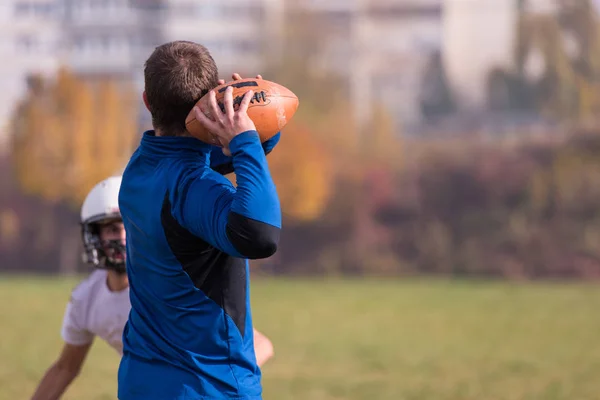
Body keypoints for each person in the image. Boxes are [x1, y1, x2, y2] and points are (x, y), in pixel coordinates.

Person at [117, 40, 281, 399]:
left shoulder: (140, 168)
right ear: (212, 96)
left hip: (140, 382)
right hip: (208, 387)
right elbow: (260, 233)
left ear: (147, 100)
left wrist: (257, 132)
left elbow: (206, 157)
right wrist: (247, 139)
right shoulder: (192, 187)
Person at [31, 174, 275, 400]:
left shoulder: (169, 286)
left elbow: (260, 345)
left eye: (128, 225)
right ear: (93, 235)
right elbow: (65, 368)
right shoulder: (86, 298)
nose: (123, 237)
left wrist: (209, 383)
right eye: (112, 229)